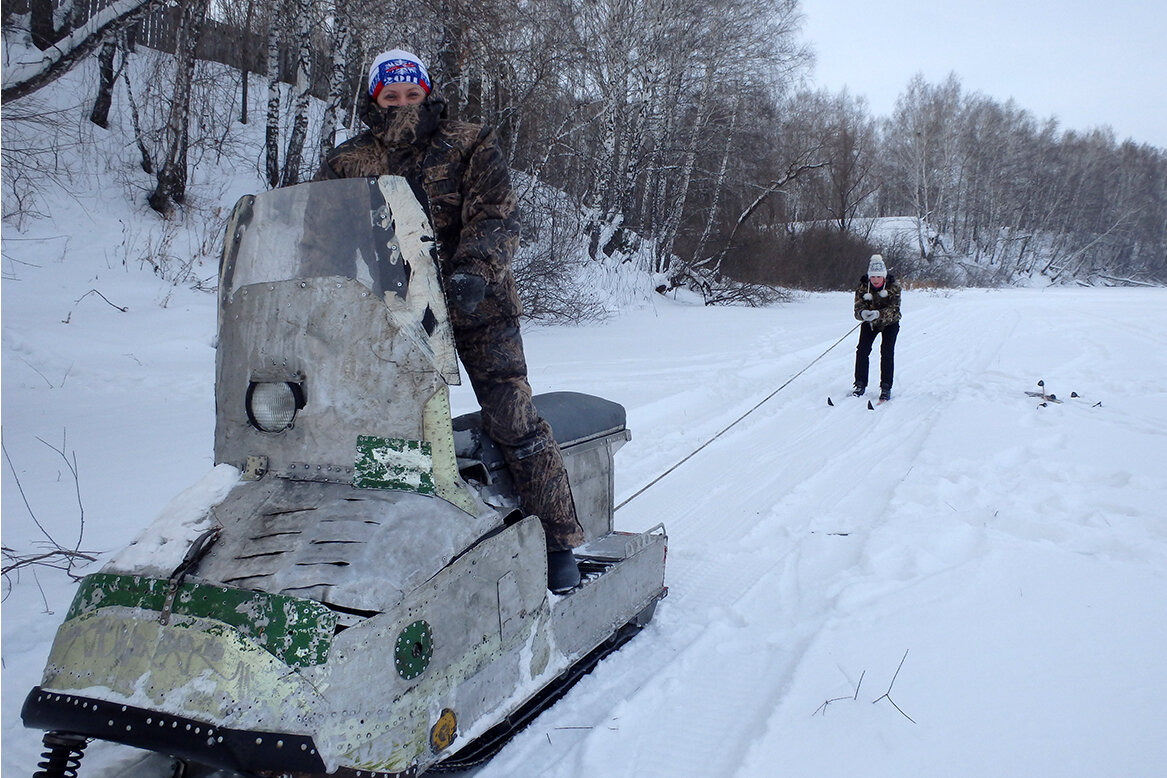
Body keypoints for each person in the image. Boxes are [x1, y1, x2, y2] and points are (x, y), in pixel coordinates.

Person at [315, 49, 585, 592]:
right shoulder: (348, 161)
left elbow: (497, 213)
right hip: (394, 313)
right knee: (385, 429)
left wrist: (474, 270)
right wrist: (322, 295)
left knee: (511, 416)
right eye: (390, 95)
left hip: (476, 305)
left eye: (411, 93)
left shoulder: (468, 141)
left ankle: (557, 543)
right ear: (375, 98)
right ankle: (386, 548)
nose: (402, 103)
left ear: (426, 92)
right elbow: (322, 235)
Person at [852, 254, 902, 401]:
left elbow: (894, 310)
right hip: (870, 323)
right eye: (872, 277)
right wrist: (863, 313)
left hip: (890, 323)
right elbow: (857, 309)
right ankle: (860, 383)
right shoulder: (862, 287)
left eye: (878, 277)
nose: (875, 280)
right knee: (862, 350)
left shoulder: (894, 287)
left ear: (884, 277)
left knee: (886, 352)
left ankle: (886, 386)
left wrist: (877, 314)